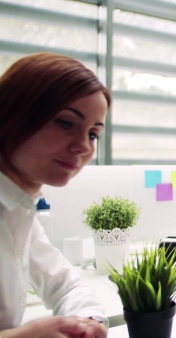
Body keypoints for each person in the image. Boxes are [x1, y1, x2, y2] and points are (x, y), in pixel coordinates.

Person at [0, 53, 111, 338]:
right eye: (65, 123)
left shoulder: (20, 210)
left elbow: (66, 285)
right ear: (12, 111)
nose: (83, 147)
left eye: (93, 134)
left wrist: (87, 322)